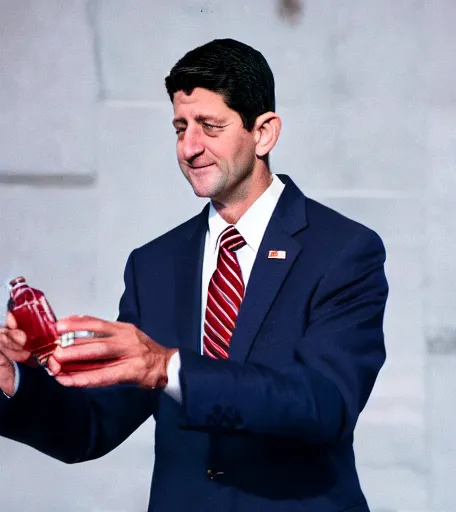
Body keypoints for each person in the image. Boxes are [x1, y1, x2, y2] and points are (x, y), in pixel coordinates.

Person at [0, 39, 388, 512]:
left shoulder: (344, 250)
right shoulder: (154, 264)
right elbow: (91, 428)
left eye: (210, 126)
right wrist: (15, 382)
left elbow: (323, 405)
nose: (189, 147)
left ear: (264, 133)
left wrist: (167, 366)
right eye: (180, 127)